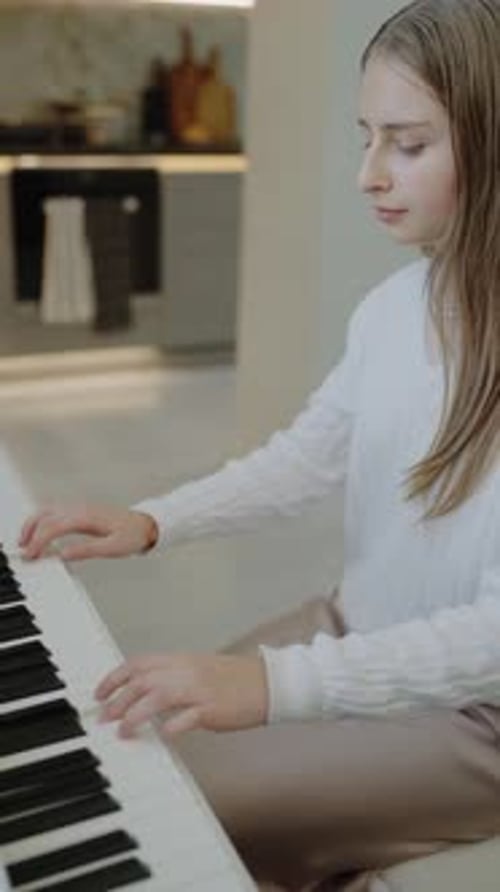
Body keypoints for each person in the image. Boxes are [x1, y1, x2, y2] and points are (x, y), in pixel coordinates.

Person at [18, 2, 500, 889]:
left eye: (407, 143)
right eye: (367, 137)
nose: (367, 174)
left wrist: (275, 689)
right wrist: (152, 520)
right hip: (353, 624)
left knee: (170, 800)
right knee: (124, 733)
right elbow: (307, 457)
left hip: (474, 719)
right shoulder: (397, 305)